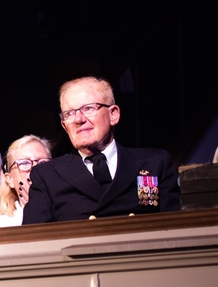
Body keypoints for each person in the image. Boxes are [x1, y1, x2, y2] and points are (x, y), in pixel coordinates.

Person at [23, 76, 180, 223]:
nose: (79, 119)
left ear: (113, 115)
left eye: (89, 108)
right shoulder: (47, 175)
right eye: (69, 113)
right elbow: (33, 239)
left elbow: (176, 227)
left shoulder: (154, 163)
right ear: (64, 126)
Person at [0, 134, 53, 227]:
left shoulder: (64, 211)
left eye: (42, 162)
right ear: (9, 179)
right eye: (24, 163)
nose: (34, 169)